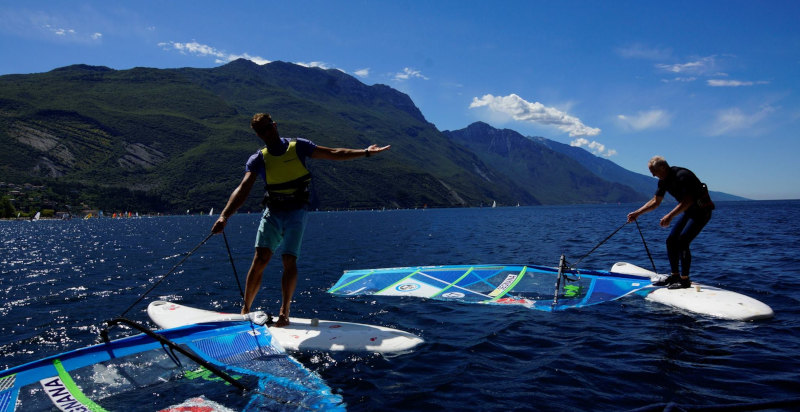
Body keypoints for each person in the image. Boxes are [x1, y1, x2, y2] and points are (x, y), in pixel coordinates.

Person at [211, 113, 390, 326]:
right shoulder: (258, 159)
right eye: (261, 132)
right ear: (258, 135)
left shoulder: (299, 146)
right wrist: (224, 216)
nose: (266, 133)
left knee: (289, 260)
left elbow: (334, 153)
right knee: (260, 259)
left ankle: (284, 312)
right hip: (273, 211)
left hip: (297, 211)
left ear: (275, 125)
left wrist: (365, 153)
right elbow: (243, 189)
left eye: (268, 128)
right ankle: (245, 310)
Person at [626, 156, 715, 289]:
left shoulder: (682, 176)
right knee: (671, 240)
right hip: (689, 211)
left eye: (654, 171)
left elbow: (688, 200)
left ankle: (685, 280)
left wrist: (670, 216)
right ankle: (674, 276)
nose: (653, 175)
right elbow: (655, 202)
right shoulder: (663, 181)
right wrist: (637, 213)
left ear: (662, 167)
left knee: (683, 241)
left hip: (702, 211)